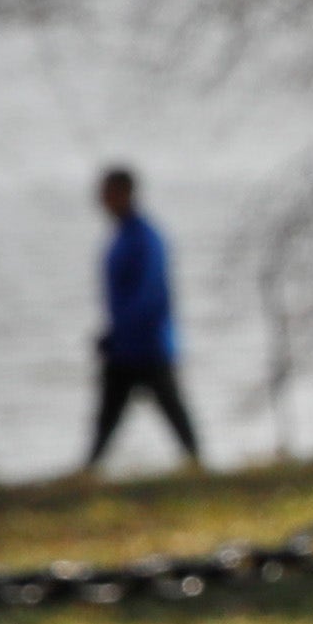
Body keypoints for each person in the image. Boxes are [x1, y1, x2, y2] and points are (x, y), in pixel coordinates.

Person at [83, 167, 202, 472]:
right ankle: (89, 469)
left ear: (124, 193)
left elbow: (148, 295)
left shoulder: (145, 238)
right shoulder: (123, 235)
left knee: (172, 411)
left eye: (107, 192)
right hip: (126, 345)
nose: (101, 200)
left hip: (147, 346)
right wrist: (113, 336)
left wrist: (119, 334)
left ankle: (196, 464)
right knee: (108, 414)